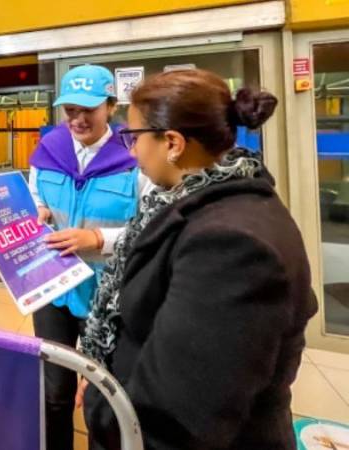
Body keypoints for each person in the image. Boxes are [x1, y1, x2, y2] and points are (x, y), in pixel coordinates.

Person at [81, 69, 317, 449]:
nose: (131, 151)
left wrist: (99, 402)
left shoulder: (231, 246)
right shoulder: (195, 201)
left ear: (172, 143)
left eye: (134, 137)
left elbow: (174, 417)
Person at [27, 64, 152, 450]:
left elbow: (150, 227)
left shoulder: (135, 157)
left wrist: (98, 239)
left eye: (88, 110)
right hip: (53, 289)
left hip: (107, 293)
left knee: (103, 395)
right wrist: (39, 211)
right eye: (70, 111)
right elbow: (35, 197)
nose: (78, 119)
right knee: (55, 391)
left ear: (111, 107)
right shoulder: (48, 150)